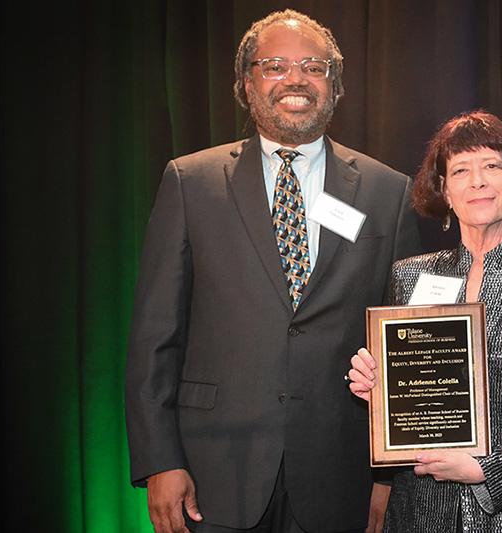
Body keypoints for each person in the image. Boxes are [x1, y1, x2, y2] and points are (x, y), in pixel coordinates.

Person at [125, 9, 421, 533]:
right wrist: (159, 459)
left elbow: (403, 344)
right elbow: (155, 334)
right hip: (213, 470)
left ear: (336, 84)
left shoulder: (388, 192)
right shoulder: (190, 183)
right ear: (246, 83)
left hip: (341, 472)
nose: (296, 79)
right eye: (275, 65)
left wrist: (388, 475)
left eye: (314, 65)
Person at [347, 110, 502, 532]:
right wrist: (377, 386)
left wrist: (486, 470)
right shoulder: (409, 276)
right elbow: (403, 399)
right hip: (420, 509)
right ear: (444, 189)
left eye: (492, 166)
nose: (477, 181)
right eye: (460, 170)